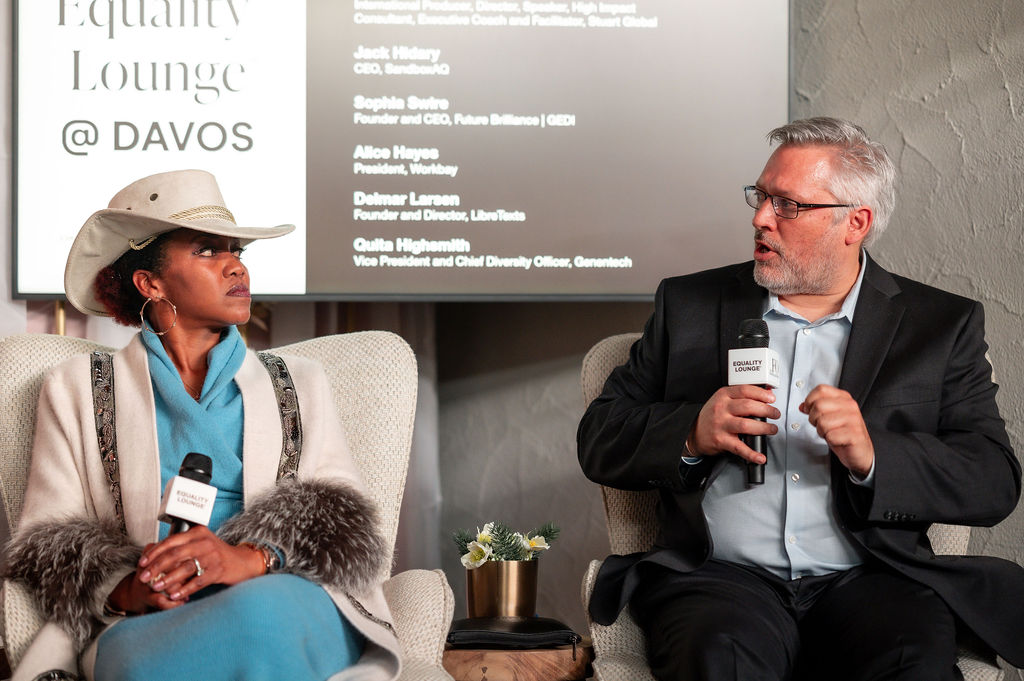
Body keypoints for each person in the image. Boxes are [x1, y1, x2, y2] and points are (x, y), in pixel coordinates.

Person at [578, 117, 1024, 680]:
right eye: (760, 197)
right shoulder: (689, 303)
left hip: (874, 578)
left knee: (912, 665)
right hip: (721, 578)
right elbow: (600, 438)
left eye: (787, 204)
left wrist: (874, 454)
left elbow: (993, 480)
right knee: (721, 661)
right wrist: (692, 430)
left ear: (854, 223)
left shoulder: (940, 325)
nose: (762, 218)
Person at [3, 170, 402, 681]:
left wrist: (247, 559)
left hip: (282, 597)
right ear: (150, 282)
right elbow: (49, 543)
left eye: (236, 250)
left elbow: (348, 529)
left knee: (261, 617)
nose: (236, 265)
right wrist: (132, 589)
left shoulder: (300, 383)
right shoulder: (77, 387)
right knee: (132, 660)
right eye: (208, 252)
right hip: (152, 618)